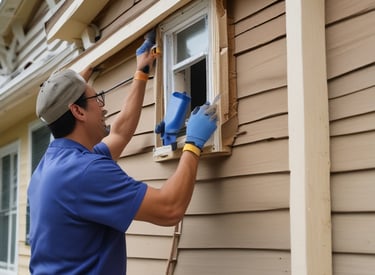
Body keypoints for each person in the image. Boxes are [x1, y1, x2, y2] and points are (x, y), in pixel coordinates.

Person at [27, 41, 218, 274]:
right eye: (97, 99)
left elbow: (120, 132)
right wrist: (193, 144)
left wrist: (141, 72)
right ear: (78, 111)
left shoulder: (54, 165)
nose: (103, 108)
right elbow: (169, 208)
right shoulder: (85, 172)